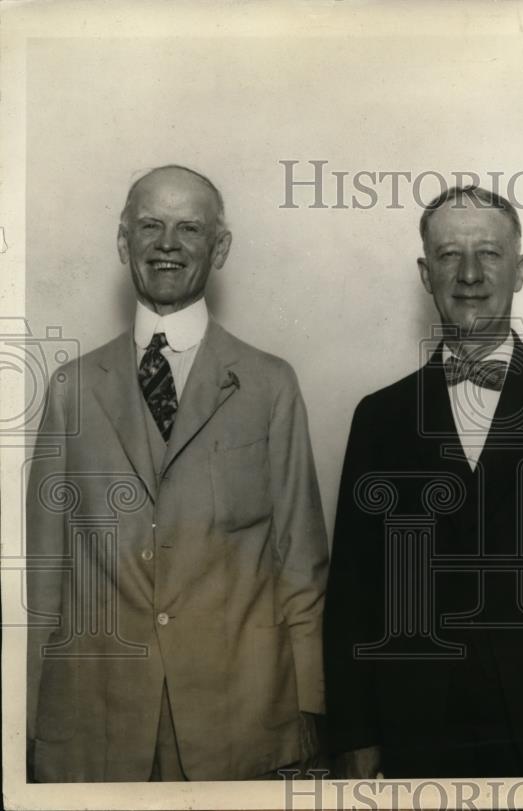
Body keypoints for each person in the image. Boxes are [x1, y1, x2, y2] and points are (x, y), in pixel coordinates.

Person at [324, 186, 523, 778]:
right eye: (450, 255)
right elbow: (352, 592)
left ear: (519, 270)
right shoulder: (380, 417)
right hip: (418, 733)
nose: (470, 274)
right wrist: (352, 733)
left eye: (490, 254)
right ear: (425, 273)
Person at [26, 165, 329, 781]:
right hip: (99, 724)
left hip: (240, 721)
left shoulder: (270, 385)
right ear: (122, 243)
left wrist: (309, 708)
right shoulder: (70, 390)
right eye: (150, 226)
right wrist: (28, 722)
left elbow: (301, 562)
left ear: (219, 247)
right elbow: (44, 579)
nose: (168, 243)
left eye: (189, 227)